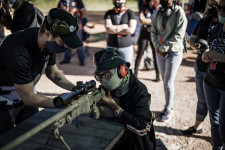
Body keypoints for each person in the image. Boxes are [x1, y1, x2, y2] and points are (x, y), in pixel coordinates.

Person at [0, 8, 83, 134]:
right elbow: (28, 97)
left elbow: (53, 73)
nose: (66, 46)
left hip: (27, 94)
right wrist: (62, 103)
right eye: (62, 42)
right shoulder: (17, 49)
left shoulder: (48, 44)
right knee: (7, 141)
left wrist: (76, 90)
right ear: (48, 34)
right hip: (3, 101)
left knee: (33, 136)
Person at [93, 48, 156, 150]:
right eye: (99, 77)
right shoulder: (109, 88)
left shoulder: (139, 91)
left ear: (121, 71)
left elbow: (141, 124)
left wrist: (113, 106)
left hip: (136, 143)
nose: (102, 81)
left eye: (107, 75)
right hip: (116, 136)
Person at [182, 0, 219, 135]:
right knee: (202, 100)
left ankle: (218, 136)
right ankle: (197, 127)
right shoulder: (203, 21)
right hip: (201, 67)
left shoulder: (223, 23)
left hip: (219, 72)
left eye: (217, 3)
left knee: (218, 107)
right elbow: (192, 39)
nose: (213, 6)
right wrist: (195, 47)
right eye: (210, 3)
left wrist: (211, 51)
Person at [151, 0, 187, 122]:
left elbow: (179, 35)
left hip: (174, 51)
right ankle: (167, 106)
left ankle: (169, 109)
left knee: (168, 82)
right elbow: (153, 31)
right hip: (159, 51)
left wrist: (163, 48)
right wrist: (158, 47)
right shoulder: (158, 12)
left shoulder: (179, 12)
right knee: (164, 81)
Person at [201, 0, 225, 148]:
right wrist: (206, 54)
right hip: (210, 82)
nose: (221, 12)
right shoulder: (217, 27)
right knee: (214, 124)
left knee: (223, 127)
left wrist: (221, 56)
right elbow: (210, 49)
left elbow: (219, 53)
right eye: (219, 8)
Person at [134, 0, 160, 81]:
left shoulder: (158, 8)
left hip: (154, 33)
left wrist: (148, 21)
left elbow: (159, 21)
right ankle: (135, 74)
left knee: (155, 54)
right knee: (139, 53)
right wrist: (153, 22)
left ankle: (157, 75)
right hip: (144, 32)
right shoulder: (143, 6)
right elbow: (141, 19)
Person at [58, 0, 87, 66]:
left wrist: (75, 10)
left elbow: (84, 12)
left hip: (76, 24)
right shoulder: (62, 1)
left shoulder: (77, 1)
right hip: (65, 24)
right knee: (67, 41)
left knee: (78, 42)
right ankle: (66, 59)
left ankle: (82, 60)